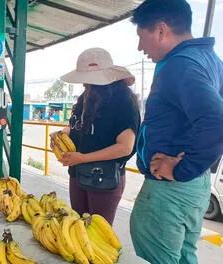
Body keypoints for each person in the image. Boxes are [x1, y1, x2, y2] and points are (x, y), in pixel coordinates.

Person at [129, 0, 223, 263]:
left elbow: (216, 121)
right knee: (182, 256)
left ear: (161, 30)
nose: (140, 47)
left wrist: (181, 168)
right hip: (195, 184)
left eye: (141, 37)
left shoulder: (180, 65)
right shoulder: (211, 61)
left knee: (162, 256)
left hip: (173, 186)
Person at [50, 47, 141, 225]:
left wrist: (83, 158)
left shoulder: (123, 100)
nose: (86, 83)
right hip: (78, 173)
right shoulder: (86, 96)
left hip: (104, 179)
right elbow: (77, 125)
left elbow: (125, 146)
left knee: (98, 233)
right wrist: (62, 135)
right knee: (77, 226)